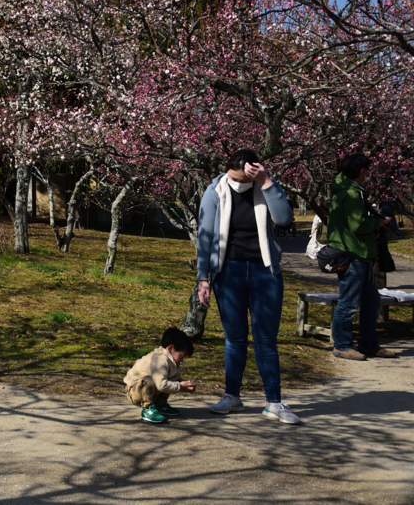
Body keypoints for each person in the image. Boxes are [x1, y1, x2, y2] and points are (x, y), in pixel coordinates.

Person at [196, 149, 300, 424]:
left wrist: (266, 183)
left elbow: (283, 218)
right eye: (234, 177)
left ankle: (274, 402)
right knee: (235, 338)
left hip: (266, 271)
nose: (238, 183)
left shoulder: (266, 186)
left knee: (266, 339)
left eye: (244, 178)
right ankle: (232, 396)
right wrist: (202, 278)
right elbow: (205, 236)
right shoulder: (215, 190)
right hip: (228, 272)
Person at [325, 153, 397, 360]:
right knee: (348, 303)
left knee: (371, 301)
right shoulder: (352, 193)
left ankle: (368, 343)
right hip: (352, 254)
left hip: (360, 253)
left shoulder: (347, 191)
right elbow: (358, 225)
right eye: (367, 169)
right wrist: (379, 223)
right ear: (361, 171)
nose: (369, 173)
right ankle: (342, 345)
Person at [123, 327, 197, 423]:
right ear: (170, 348)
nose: (182, 360)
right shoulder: (159, 360)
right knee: (151, 380)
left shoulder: (170, 361)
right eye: (182, 356)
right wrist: (180, 387)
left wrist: (184, 384)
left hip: (148, 389)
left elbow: (174, 378)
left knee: (169, 378)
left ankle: (160, 404)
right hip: (135, 390)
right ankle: (147, 408)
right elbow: (161, 385)